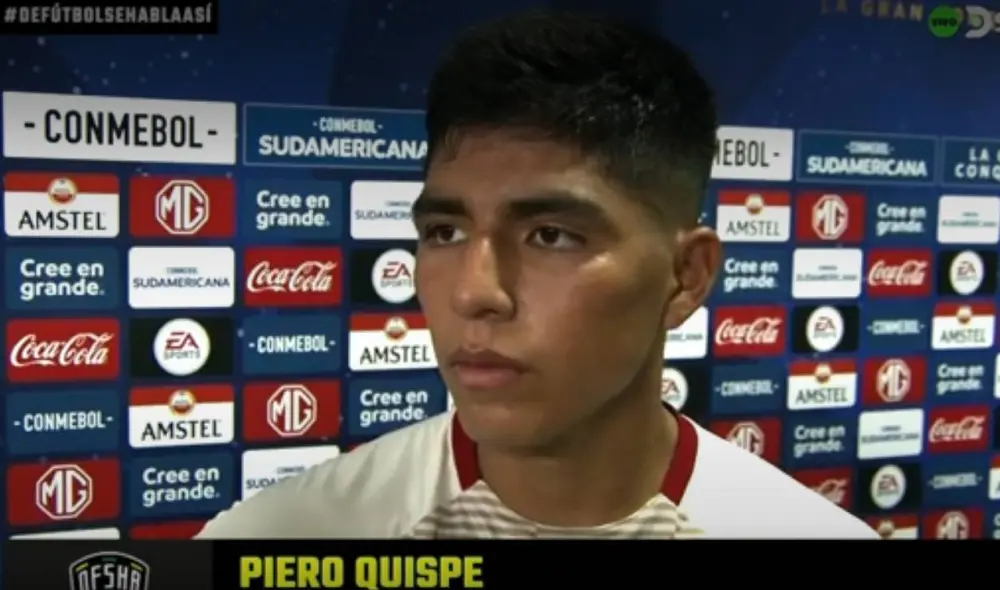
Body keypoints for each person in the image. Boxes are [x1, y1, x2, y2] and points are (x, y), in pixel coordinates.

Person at [198, 9, 879, 539]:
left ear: (686, 275)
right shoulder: (275, 540)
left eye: (551, 235)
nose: (475, 291)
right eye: (445, 232)